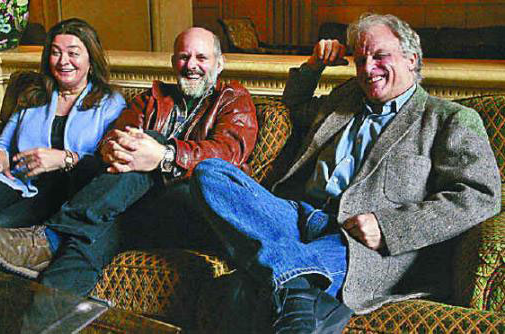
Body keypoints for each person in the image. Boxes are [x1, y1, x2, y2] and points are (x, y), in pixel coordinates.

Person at [188, 13, 501, 333]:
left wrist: (389, 227)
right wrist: (313, 66)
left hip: (356, 241)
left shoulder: (448, 118)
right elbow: (293, 106)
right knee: (210, 173)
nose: (367, 69)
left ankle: (289, 289)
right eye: (361, 59)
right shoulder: (345, 99)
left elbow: (480, 196)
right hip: (295, 217)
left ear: (411, 60)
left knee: (244, 291)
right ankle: (298, 282)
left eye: (380, 57)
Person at [0, 27, 258, 297]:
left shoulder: (233, 100)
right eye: (184, 57)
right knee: (86, 243)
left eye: (201, 58)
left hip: (191, 208)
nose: (191, 65)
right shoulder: (152, 99)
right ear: (174, 61)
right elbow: (111, 139)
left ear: (219, 64)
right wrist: (115, 149)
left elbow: (227, 153)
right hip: (131, 209)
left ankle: (51, 234)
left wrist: (162, 155)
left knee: (149, 140)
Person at [0, 18, 126, 263]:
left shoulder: (109, 103)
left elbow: (108, 162)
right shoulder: (34, 95)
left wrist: (64, 158)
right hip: (20, 181)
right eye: (55, 53)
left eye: (73, 53)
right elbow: (4, 140)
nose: (64, 61)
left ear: (90, 60)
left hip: (66, 189)